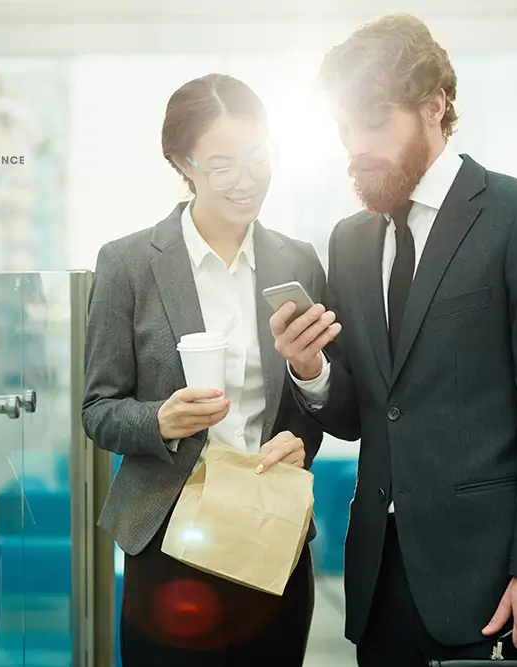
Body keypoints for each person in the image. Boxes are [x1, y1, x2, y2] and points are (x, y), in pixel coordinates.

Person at [269, 13, 517, 665]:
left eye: (373, 122)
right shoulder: (351, 240)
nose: (355, 146)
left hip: (501, 586)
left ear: (434, 106)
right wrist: (311, 369)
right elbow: (365, 412)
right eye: (344, 128)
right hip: (380, 584)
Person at [81, 73, 324, 667]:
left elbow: (311, 401)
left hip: (272, 530)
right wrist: (161, 420)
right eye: (222, 165)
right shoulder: (128, 263)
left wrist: (306, 416)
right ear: (181, 163)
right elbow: (98, 410)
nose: (247, 181)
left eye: (258, 158)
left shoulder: (297, 261)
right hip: (170, 538)